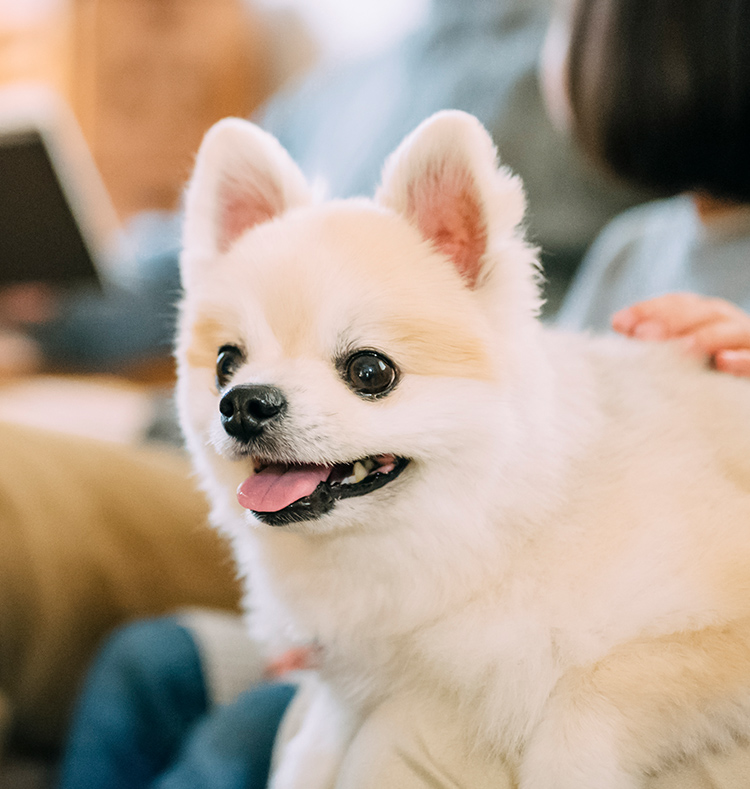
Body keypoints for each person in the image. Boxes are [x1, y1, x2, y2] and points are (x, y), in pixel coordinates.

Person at [55, 0, 750, 787]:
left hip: (484, 626)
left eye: (368, 372)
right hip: (370, 605)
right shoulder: (633, 248)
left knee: (247, 739)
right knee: (149, 663)